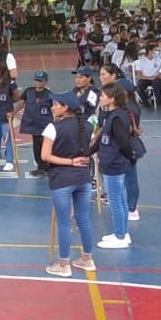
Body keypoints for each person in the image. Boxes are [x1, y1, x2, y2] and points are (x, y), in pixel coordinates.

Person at [41, 93, 97, 276]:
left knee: (64, 222)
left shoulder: (53, 127)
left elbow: (45, 156)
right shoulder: (87, 126)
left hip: (62, 180)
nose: (52, 107)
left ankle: (64, 264)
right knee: (83, 219)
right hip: (83, 179)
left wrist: (69, 162)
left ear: (65, 107)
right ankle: (87, 259)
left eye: (55, 104)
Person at [93, 84, 134, 249]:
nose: (100, 98)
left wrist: (127, 157)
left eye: (103, 96)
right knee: (121, 200)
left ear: (112, 99)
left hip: (114, 164)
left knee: (115, 200)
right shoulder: (113, 115)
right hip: (114, 163)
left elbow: (123, 142)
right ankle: (122, 232)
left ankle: (120, 236)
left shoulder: (116, 117)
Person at [19, 72, 53, 177]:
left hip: (45, 124)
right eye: (36, 80)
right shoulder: (28, 91)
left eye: (40, 80)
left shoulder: (49, 94)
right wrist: (12, 113)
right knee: (36, 146)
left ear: (45, 81)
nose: (38, 82)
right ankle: (41, 167)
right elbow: (21, 103)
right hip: (33, 124)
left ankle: (47, 167)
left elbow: (54, 108)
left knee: (45, 145)